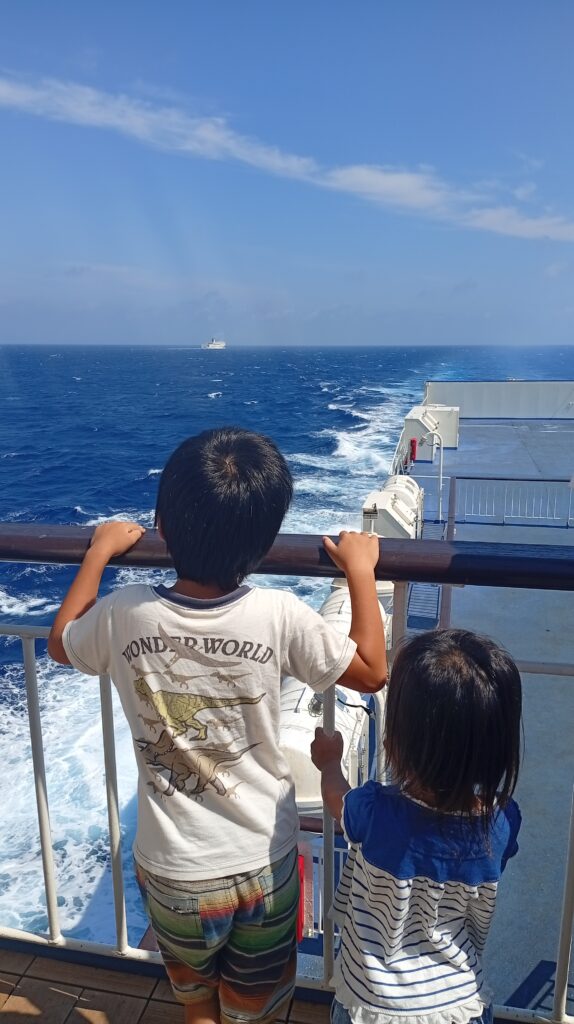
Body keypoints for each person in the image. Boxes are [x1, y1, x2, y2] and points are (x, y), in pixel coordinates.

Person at [48, 426, 388, 1024]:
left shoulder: (125, 611)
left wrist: (98, 552)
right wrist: (361, 571)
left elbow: (60, 644)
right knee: (252, 1009)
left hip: (171, 870)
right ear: (264, 541)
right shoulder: (278, 613)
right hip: (261, 864)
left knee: (196, 1002)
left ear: (162, 524)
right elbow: (371, 671)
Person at [311, 628, 522, 1024]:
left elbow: (335, 795)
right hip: (458, 1002)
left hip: (372, 1003)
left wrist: (329, 763)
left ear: (398, 741)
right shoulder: (502, 824)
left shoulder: (374, 811)